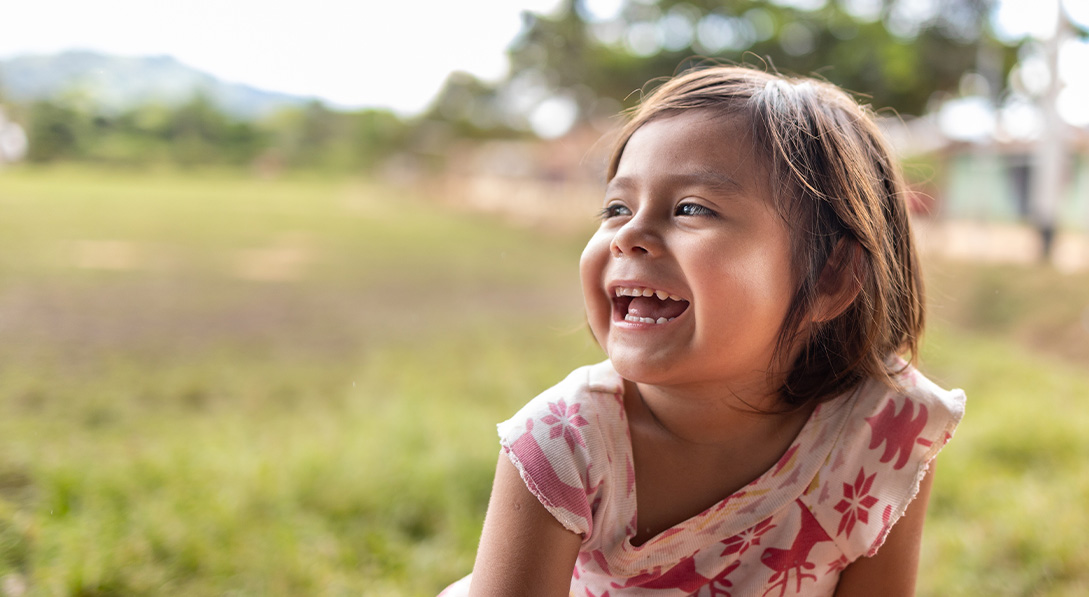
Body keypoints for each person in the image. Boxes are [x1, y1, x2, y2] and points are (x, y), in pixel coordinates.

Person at [440, 66, 965, 597]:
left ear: (830, 278)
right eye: (616, 207)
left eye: (691, 208)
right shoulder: (562, 442)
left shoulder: (885, 429)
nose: (629, 235)